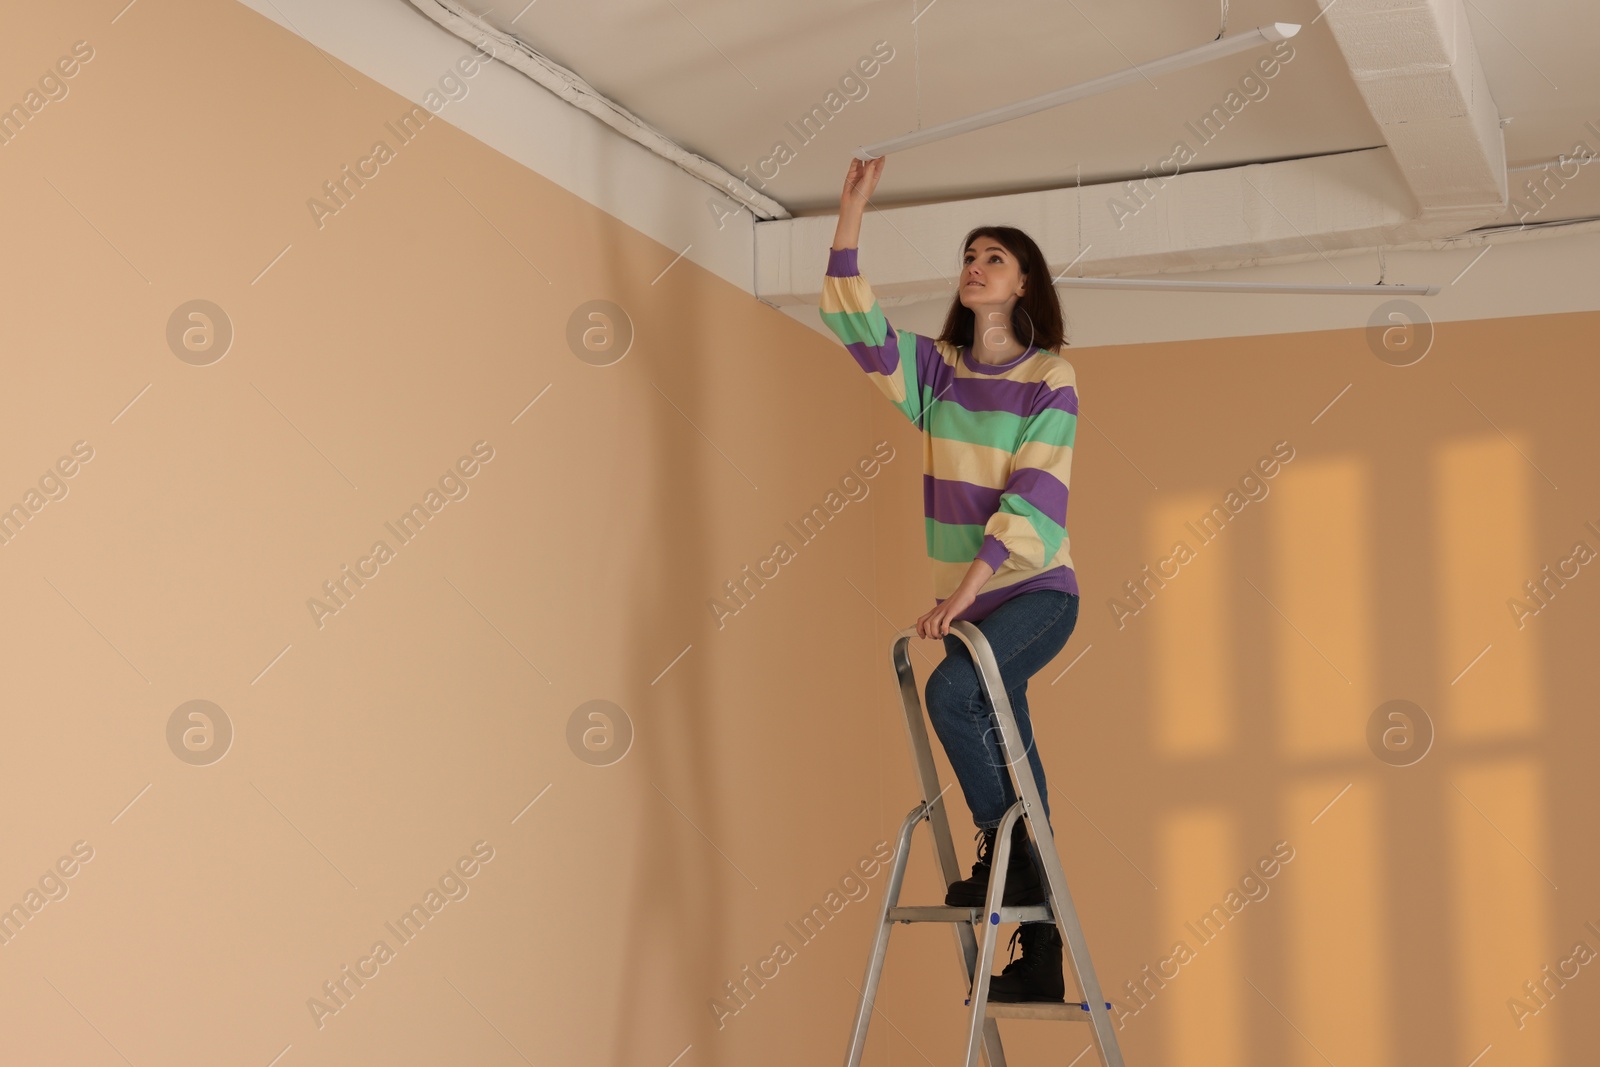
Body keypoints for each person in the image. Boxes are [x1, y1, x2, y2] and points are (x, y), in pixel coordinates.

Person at [819, 154, 1082, 1003]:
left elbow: (1034, 496)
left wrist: (963, 595)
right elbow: (853, 322)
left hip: (1034, 591)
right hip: (972, 598)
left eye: (993, 256)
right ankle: (1040, 947)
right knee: (1010, 737)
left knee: (951, 695)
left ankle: (1000, 856)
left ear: (1024, 282)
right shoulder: (936, 375)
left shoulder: (1052, 376)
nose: (974, 266)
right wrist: (852, 214)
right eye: (969, 254)